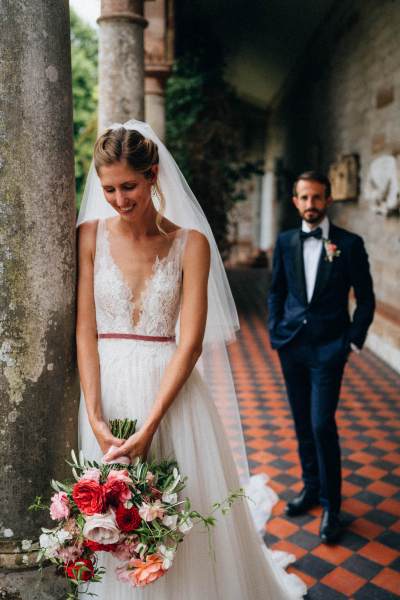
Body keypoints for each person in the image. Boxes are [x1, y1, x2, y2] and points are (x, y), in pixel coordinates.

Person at [76, 120, 307, 599]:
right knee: (113, 522)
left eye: (130, 186)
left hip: (172, 396)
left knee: (180, 515)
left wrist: (151, 423)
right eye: (109, 189)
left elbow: (191, 342)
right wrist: (95, 417)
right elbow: (84, 328)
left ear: (154, 175)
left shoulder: (192, 243)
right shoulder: (90, 236)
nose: (119, 199)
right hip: (107, 390)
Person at [268, 171, 375, 543]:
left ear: (328, 200)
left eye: (317, 198)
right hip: (292, 346)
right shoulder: (284, 242)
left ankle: (332, 506)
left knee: (321, 425)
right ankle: (311, 488)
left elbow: (366, 298)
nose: (310, 205)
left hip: (330, 349)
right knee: (301, 423)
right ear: (295, 201)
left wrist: (352, 342)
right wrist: (274, 330)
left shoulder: (350, 243)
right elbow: (277, 290)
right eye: (304, 198)